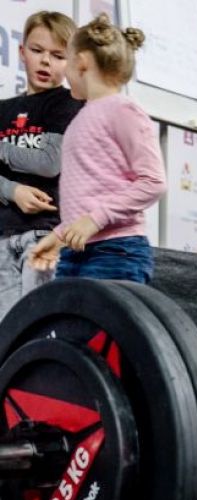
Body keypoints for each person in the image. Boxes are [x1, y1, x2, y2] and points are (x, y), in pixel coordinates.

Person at [29, 13, 165, 283]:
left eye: (66, 60)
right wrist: (58, 237)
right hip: (76, 253)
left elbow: (153, 182)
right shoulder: (82, 117)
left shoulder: (123, 110)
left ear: (81, 62)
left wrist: (96, 219)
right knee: (66, 324)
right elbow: (92, 193)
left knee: (105, 326)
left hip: (116, 252)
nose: (65, 72)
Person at [0, 11, 83, 320]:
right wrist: (12, 189)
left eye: (58, 55)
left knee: (39, 322)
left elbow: (49, 164)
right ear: (22, 52)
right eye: (37, 51)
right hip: (3, 234)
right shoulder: (3, 109)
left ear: (72, 61)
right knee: (6, 331)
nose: (46, 61)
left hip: (45, 236)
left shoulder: (68, 103)